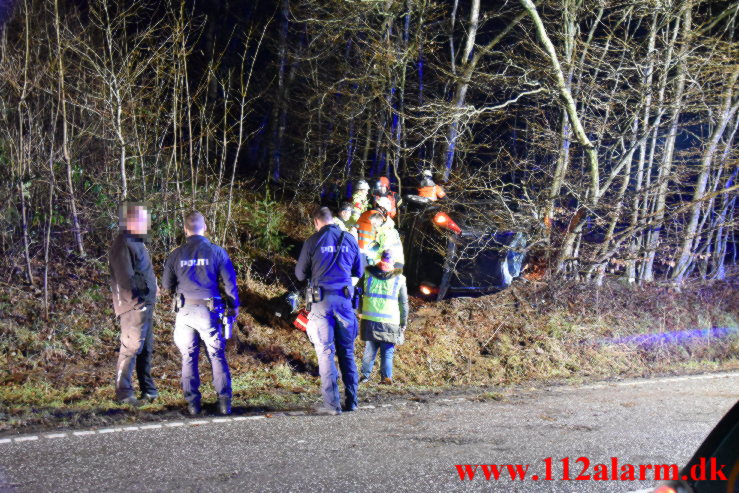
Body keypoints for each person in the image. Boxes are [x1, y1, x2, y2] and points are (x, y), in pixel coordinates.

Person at [162, 211, 239, 416]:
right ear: (204, 228)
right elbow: (230, 282)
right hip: (209, 310)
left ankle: (193, 405)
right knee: (216, 354)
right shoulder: (217, 252)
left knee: (188, 357)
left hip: (185, 311)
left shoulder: (176, 254)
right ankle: (224, 403)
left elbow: (166, 284)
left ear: (185, 230)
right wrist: (234, 306)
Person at [295, 206, 363, 415]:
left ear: (316, 222)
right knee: (347, 353)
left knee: (325, 353)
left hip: (321, 303)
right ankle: (352, 400)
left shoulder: (313, 241)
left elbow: (299, 274)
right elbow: (359, 270)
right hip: (344, 303)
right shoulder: (350, 239)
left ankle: (333, 405)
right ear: (332, 219)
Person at [108, 202, 158, 406]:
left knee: (145, 348)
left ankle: (149, 391)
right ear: (130, 221)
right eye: (142, 219)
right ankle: (124, 394)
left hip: (144, 303)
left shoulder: (136, 242)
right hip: (133, 305)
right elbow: (125, 278)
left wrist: (152, 287)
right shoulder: (123, 243)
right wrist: (144, 290)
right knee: (130, 348)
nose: (147, 223)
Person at [359, 249, 408, 385]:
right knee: (387, 352)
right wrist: (403, 322)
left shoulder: (368, 274)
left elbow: (357, 292)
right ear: (392, 262)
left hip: (370, 320)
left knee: (370, 349)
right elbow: (403, 303)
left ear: (380, 259)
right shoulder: (399, 279)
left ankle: (364, 377)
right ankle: (386, 378)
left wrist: (360, 310)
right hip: (390, 322)